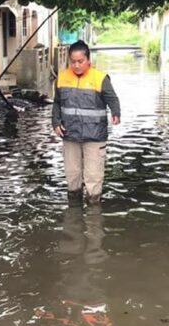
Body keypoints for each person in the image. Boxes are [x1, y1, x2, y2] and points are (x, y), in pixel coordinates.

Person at [52, 40, 121, 204]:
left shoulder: (100, 78)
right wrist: (55, 122)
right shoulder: (62, 77)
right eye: (73, 61)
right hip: (70, 134)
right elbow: (57, 103)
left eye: (80, 61)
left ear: (88, 60)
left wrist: (116, 113)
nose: (76, 65)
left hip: (94, 136)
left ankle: (94, 212)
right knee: (72, 176)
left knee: (93, 177)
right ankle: (73, 211)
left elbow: (112, 99)